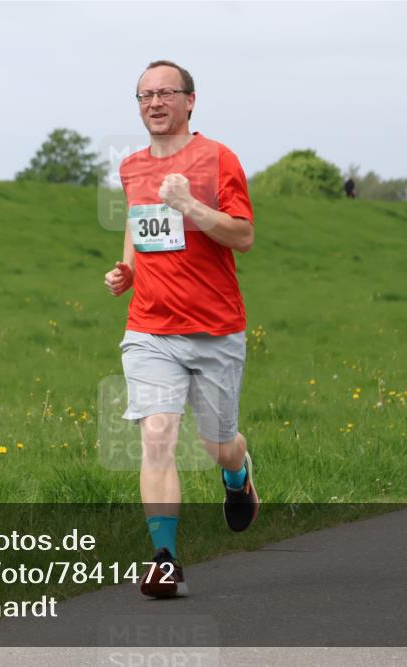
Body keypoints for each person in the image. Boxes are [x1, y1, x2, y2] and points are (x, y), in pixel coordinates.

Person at [103, 60, 259, 599]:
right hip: (150, 327)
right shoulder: (131, 167)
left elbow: (242, 236)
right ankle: (165, 560)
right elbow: (138, 222)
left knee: (217, 444)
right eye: (145, 95)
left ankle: (237, 475)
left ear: (190, 101)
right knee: (156, 435)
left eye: (166, 92)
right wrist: (128, 269)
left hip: (214, 329)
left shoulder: (218, 158)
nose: (154, 102)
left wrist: (190, 204)